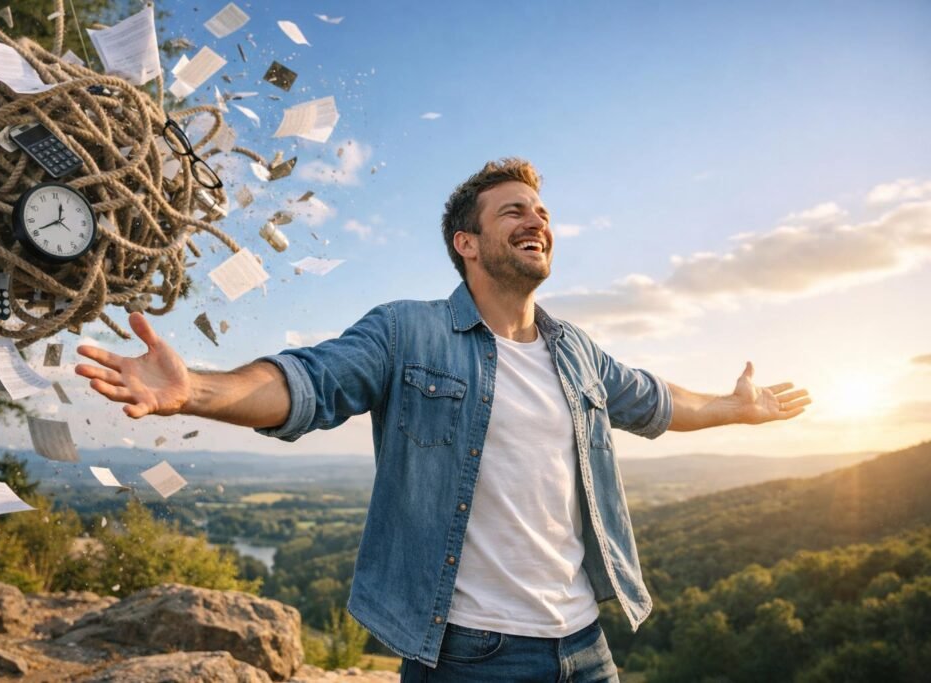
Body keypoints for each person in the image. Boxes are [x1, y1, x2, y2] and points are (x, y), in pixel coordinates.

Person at [76, 158, 810, 682]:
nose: (537, 220)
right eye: (513, 210)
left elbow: (655, 401)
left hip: (584, 645)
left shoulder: (577, 352)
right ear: (468, 242)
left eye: (542, 212)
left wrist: (735, 409)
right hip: (470, 655)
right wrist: (197, 390)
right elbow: (311, 381)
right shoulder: (409, 331)